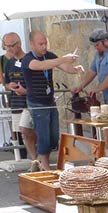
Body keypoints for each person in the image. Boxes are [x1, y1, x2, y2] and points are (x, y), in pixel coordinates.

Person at [21, 31, 84, 171]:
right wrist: (63, 58)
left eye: (45, 43)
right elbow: (42, 66)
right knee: (43, 133)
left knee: (53, 135)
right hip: (37, 102)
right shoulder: (27, 59)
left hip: (50, 100)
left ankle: (41, 162)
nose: (44, 47)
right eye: (40, 44)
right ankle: (45, 165)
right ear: (32, 44)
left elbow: (63, 67)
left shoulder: (49, 55)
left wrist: (75, 69)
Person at [2, 32, 36, 163]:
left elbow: (38, 82)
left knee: (26, 129)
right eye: (6, 46)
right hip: (16, 103)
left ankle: (36, 158)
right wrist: (9, 86)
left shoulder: (29, 59)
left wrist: (26, 90)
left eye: (11, 45)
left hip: (29, 102)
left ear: (19, 44)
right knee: (21, 133)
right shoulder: (9, 62)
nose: (9, 49)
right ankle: (32, 160)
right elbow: (6, 82)